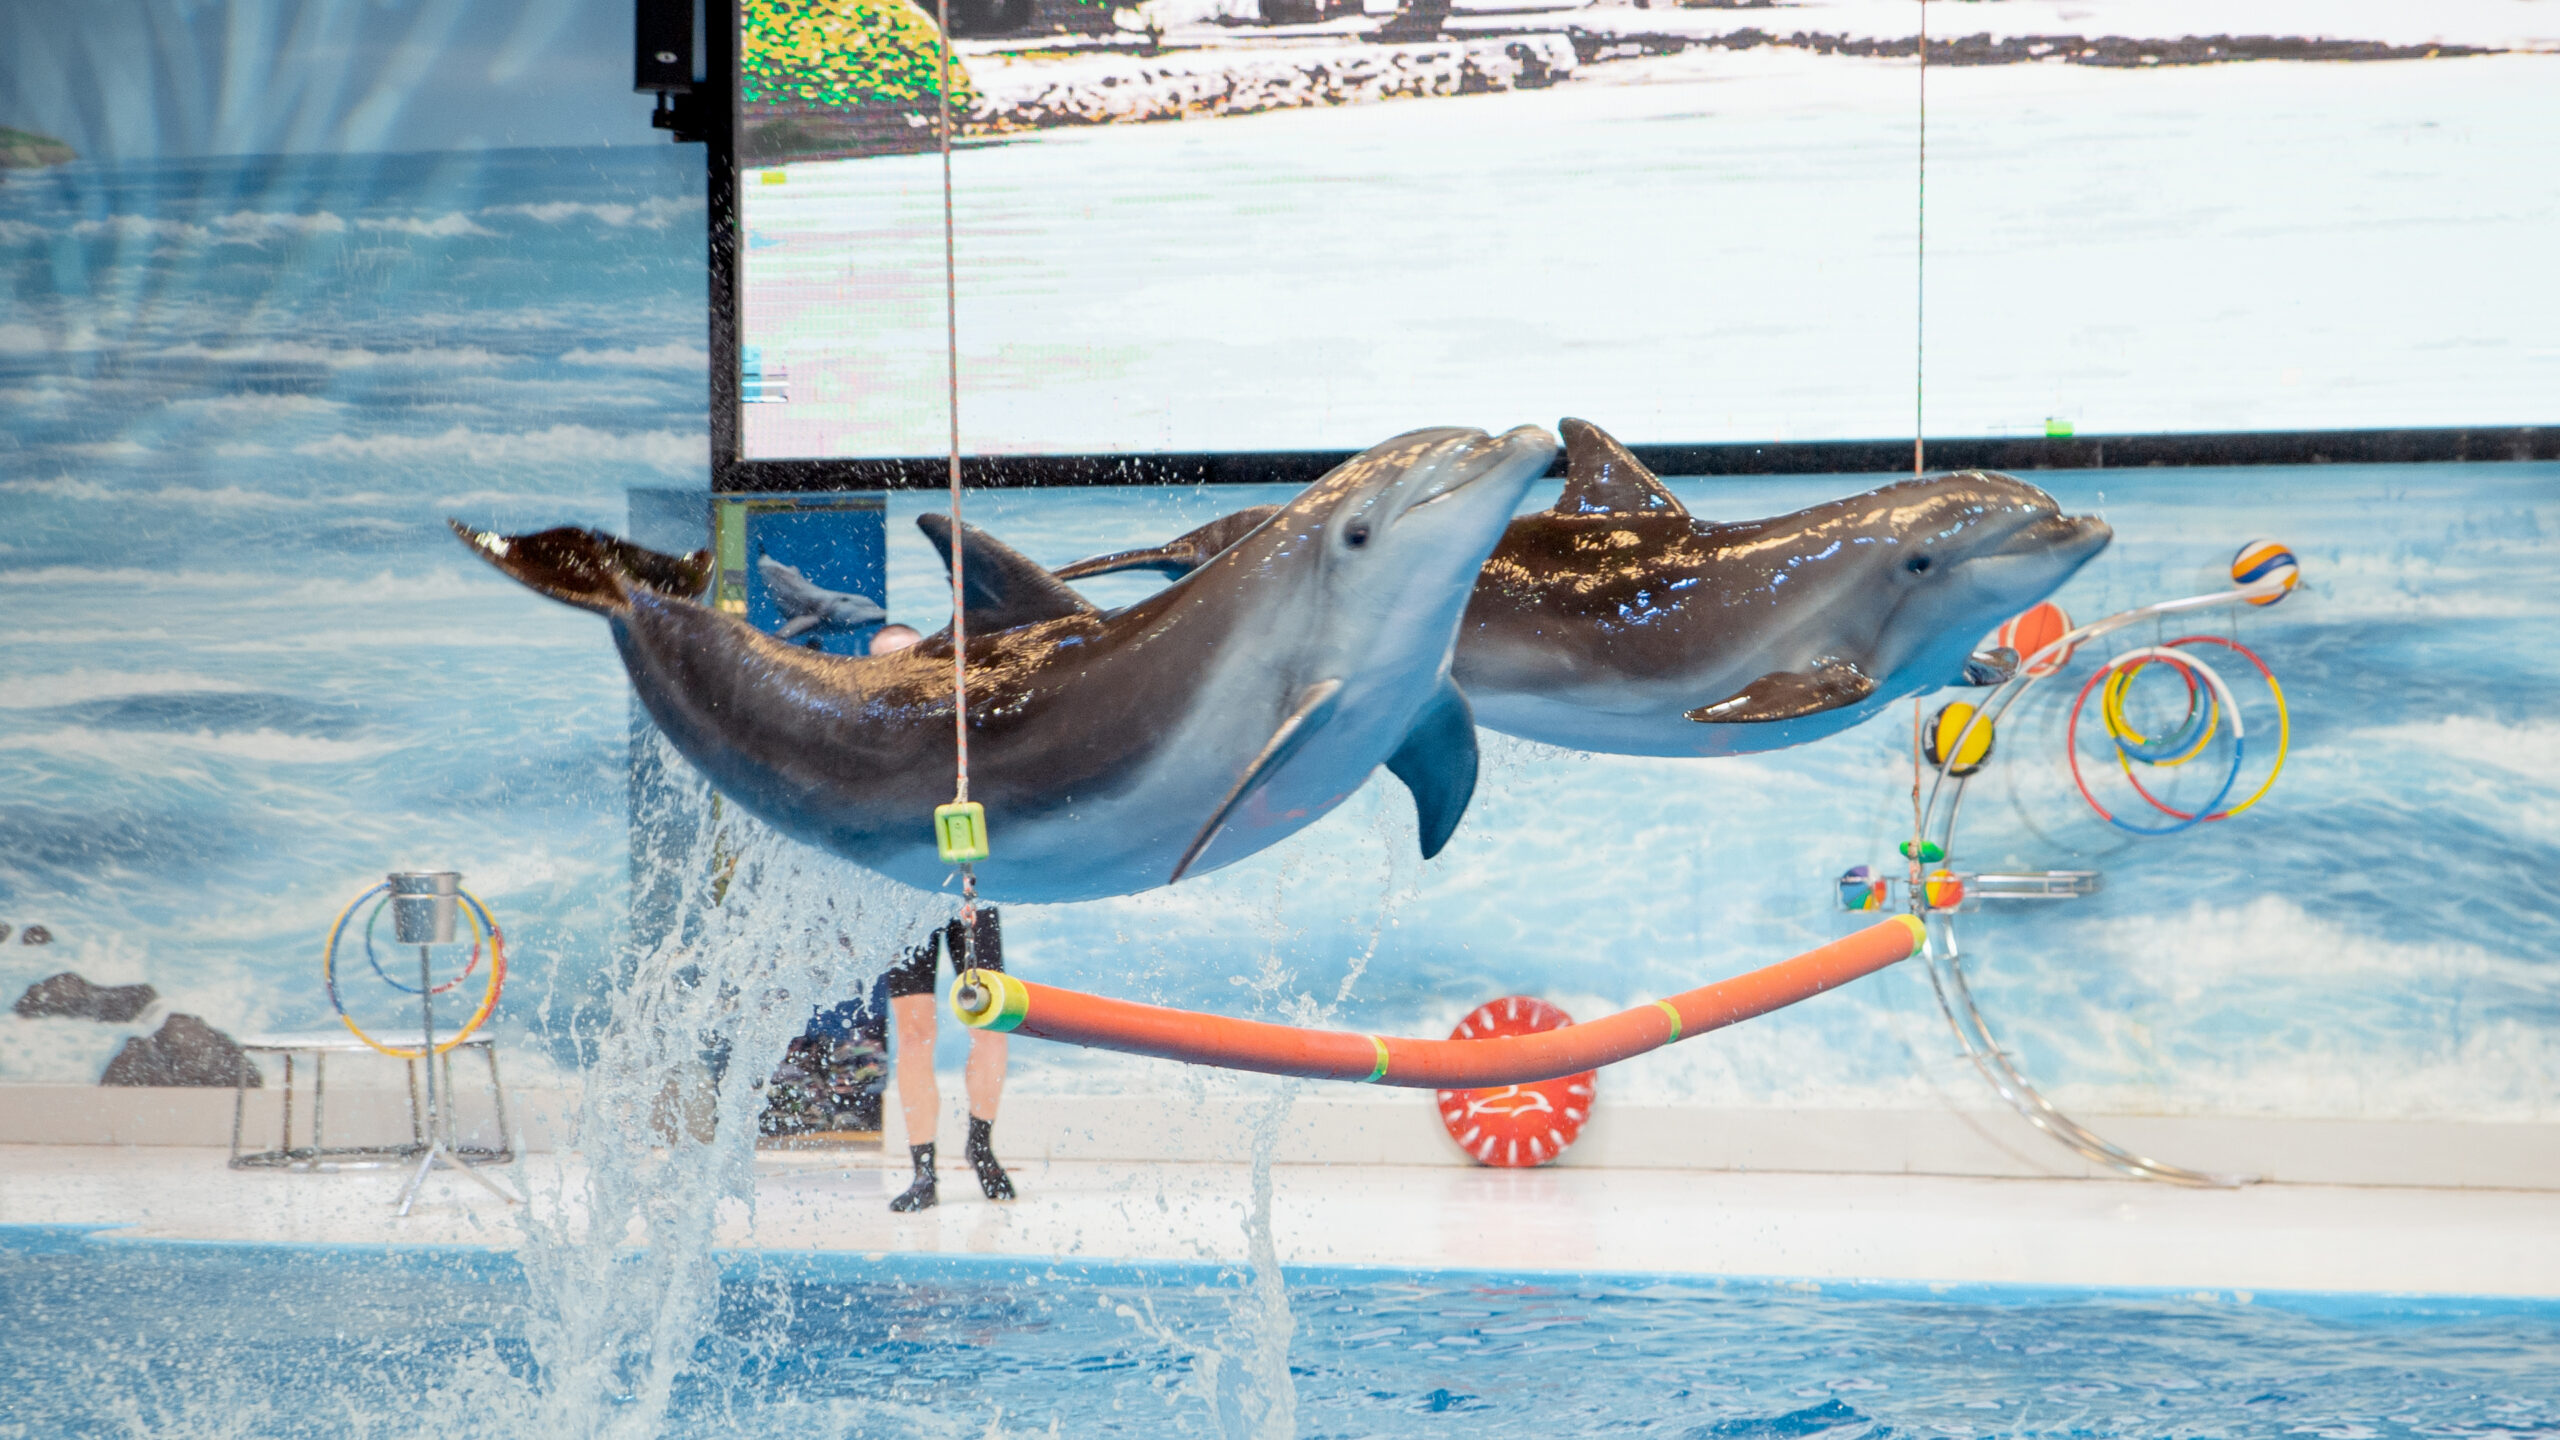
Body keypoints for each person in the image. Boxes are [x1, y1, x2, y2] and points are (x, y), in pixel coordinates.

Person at [867, 617, 1015, 1212]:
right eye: (886, 660)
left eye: (910, 656)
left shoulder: (958, 724)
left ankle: (981, 1144)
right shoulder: (867, 735)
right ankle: (922, 1170)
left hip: (968, 891)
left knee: (990, 1022)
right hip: (904, 899)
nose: (899, 669)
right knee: (915, 1033)